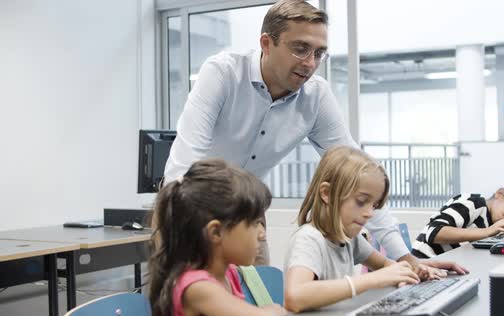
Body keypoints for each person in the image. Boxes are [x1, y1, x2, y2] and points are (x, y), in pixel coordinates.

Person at [163, 0, 465, 274]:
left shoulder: (315, 95)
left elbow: (362, 176)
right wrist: (182, 231)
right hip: (192, 209)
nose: (310, 62)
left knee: (257, 302)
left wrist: (405, 257)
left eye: (319, 53)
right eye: (300, 49)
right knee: (186, 305)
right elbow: (184, 162)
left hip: (247, 215)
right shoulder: (223, 73)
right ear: (267, 44)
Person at [284, 146, 431, 312]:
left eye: (374, 205)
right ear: (327, 193)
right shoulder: (309, 239)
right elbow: (294, 297)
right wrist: (372, 279)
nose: (370, 213)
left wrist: (410, 271)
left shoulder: (348, 238)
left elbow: (384, 265)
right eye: (361, 201)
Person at [148, 159, 286, 316]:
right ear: (216, 233)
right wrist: (273, 312)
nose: (262, 233)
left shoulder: (229, 274)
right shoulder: (197, 286)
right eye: (254, 223)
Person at [411, 186, 504, 258]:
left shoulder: (491, 224)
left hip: (443, 269)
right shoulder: (474, 203)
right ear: (500, 193)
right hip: (424, 262)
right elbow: (434, 232)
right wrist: (488, 232)